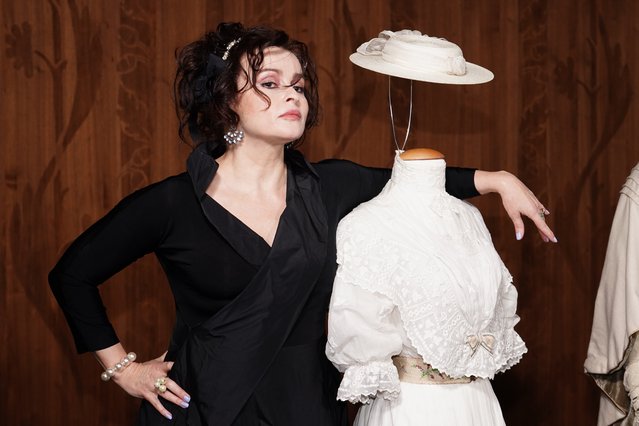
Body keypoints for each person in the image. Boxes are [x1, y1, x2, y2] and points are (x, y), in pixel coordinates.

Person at [49, 22, 556, 426]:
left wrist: (497, 179)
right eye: (270, 84)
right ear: (226, 100)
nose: (292, 96)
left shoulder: (331, 185)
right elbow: (72, 274)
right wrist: (123, 369)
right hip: (205, 406)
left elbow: (414, 181)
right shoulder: (172, 203)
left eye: (298, 85)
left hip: (308, 405)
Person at [325, 30, 529, 425]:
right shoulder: (365, 225)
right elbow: (359, 330)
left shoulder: (470, 218)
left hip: (478, 403)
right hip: (411, 407)